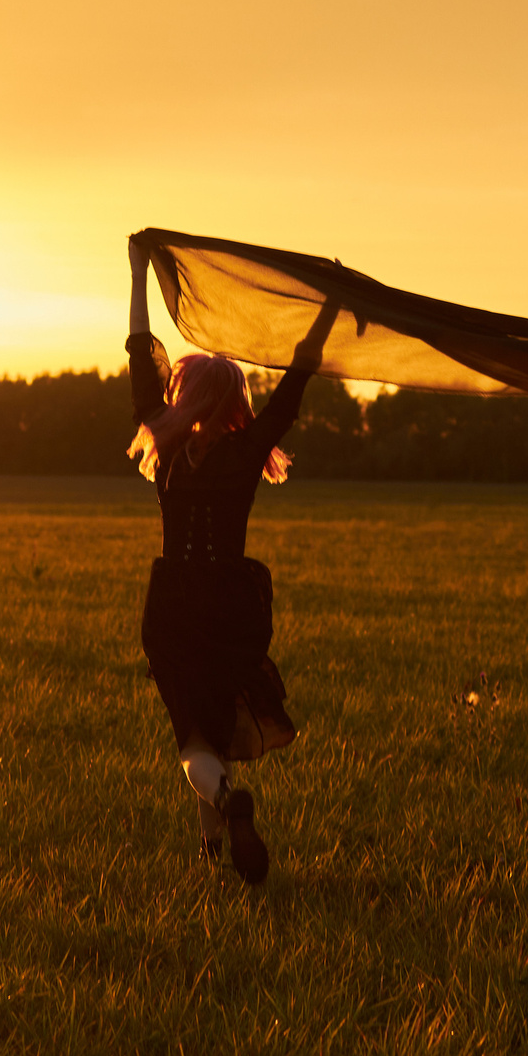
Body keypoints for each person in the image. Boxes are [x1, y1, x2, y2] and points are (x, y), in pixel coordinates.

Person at [125, 237, 339, 885]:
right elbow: (299, 375)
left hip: (174, 604)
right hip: (234, 604)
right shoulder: (246, 457)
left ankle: (224, 802)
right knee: (212, 731)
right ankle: (212, 852)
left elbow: (139, 349)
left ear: (184, 394)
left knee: (192, 741)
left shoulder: (162, 447)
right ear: (236, 403)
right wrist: (330, 306)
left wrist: (137, 272)